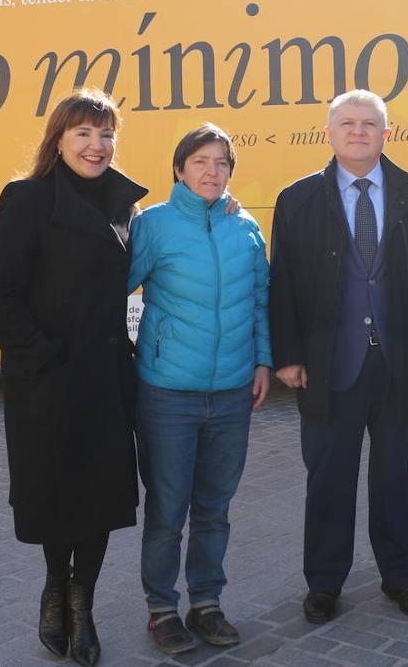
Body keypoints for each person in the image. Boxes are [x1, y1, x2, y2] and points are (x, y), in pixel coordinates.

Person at [0, 88, 145, 667]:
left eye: (106, 135)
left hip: (104, 379)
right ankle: (55, 587)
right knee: (55, 494)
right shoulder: (27, 198)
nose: (97, 146)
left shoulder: (126, 204)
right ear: (59, 139)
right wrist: (39, 356)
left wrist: (221, 206)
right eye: (84, 134)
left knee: (100, 496)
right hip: (46, 381)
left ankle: (84, 601)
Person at [269, 89, 408, 625]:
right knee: (328, 480)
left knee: (396, 478)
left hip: (398, 365)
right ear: (329, 132)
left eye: (369, 124)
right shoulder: (297, 199)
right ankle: (324, 583)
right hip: (328, 366)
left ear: (386, 133)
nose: (358, 132)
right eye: (347, 123)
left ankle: (402, 576)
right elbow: (283, 287)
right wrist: (288, 356)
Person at [127, 123, 272, 655]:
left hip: (233, 394)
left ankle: (206, 603)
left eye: (222, 163)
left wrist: (263, 362)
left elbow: (260, 300)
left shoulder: (246, 228)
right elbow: (108, 288)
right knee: (167, 509)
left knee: (215, 508)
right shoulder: (155, 227)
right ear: (179, 170)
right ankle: (162, 609)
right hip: (167, 394)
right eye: (201, 162)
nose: (213, 172)